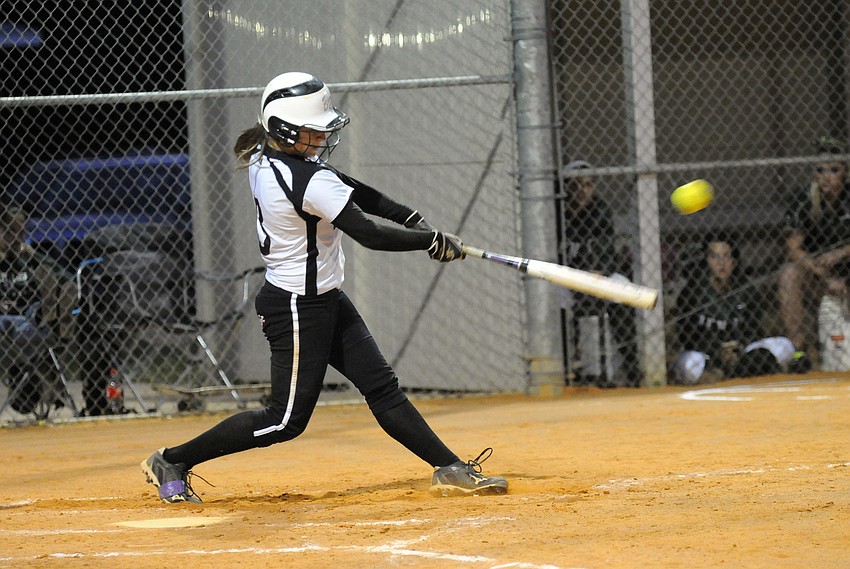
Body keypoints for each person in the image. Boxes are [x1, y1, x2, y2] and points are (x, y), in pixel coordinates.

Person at [140, 71, 508, 503]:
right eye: (312, 132)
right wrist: (428, 241)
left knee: (381, 387)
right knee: (284, 421)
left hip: (323, 298)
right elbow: (368, 232)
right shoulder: (309, 181)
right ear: (284, 131)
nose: (321, 139)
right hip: (297, 307)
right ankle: (173, 459)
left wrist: (414, 221)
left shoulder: (267, 157)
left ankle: (447, 467)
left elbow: (354, 190)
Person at [672, 232, 794, 385]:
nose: (721, 263)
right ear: (706, 261)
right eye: (714, 257)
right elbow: (687, 335)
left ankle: (727, 374)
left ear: (734, 262)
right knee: (687, 363)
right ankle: (743, 372)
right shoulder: (693, 292)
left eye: (727, 256)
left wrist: (739, 347)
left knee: (784, 345)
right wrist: (718, 350)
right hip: (708, 356)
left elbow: (755, 329)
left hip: (741, 353)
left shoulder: (745, 289)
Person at [558, 160, 634, 387]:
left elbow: (605, 256)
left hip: (593, 275)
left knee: (623, 288)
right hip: (563, 278)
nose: (583, 191)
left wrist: (594, 275)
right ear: (566, 188)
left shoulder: (600, 211)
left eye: (589, 185)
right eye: (577, 186)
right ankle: (565, 368)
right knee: (558, 301)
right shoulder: (555, 211)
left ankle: (631, 365)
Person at [778, 136, 850, 369]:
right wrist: (818, 270)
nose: (826, 176)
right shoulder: (804, 198)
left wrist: (839, 254)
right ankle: (799, 351)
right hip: (819, 278)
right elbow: (793, 249)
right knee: (789, 274)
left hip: (846, 275)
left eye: (833, 170)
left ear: (845, 173)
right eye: (819, 170)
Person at [0, 206, 75, 415]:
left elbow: (66, 280)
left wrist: (35, 257)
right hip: (4, 324)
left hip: (28, 322)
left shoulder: (29, 260)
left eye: (21, 232)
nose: (16, 238)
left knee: (37, 321)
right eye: (10, 232)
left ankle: (31, 374)